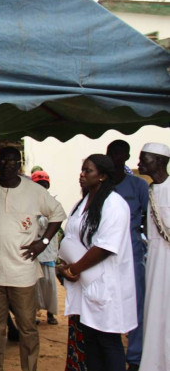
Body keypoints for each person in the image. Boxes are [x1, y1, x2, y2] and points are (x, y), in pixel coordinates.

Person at [0, 149, 65, 371]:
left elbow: (57, 214)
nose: (7, 164)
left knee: (27, 327)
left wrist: (43, 243)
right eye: (2, 160)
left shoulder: (34, 190)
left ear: (19, 164)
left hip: (23, 273)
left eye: (12, 161)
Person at [57, 154, 136, 371]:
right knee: (90, 340)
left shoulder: (115, 205)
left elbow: (104, 248)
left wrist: (74, 268)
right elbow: (71, 237)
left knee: (108, 341)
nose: (81, 175)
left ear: (101, 176)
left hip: (105, 284)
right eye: (81, 170)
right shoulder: (82, 202)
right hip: (84, 283)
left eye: (87, 171)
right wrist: (65, 267)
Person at [106, 140, 149, 371]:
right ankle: (111, 354)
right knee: (109, 304)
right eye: (111, 153)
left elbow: (149, 219)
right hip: (106, 257)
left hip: (133, 255)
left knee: (136, 306)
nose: (114, 158)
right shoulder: (102, 186)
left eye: (118, 154)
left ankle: (134, 357)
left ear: (126, 157)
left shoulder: (138, 186)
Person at [138, 142, 170, 371]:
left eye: (144, 158)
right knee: (154, 312)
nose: (140, 163)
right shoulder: (150, 189)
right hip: (155, 262)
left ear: (159, 161)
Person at [31, 170, 60, 326]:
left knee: (49, 283)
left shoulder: (53, 202)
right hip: (34, 250)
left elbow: (50, 223)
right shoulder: (29, 202)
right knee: (34, 284)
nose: (41, 187)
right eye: (38, 184)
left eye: (44, 184)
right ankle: (34, 313)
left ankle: (50, 313)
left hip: (48, 250)